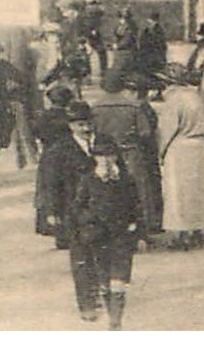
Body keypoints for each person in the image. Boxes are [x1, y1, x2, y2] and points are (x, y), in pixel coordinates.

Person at [68, 138, 143, 328]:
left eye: (110, 155)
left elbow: (136, 206)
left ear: (116, 157)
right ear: (95, 159)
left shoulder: (125, 180)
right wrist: (90, 221)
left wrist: (138, 231)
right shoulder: (89, 180)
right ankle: (112, 315)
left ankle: (115, 321)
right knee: (104, 280)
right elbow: (78, 208)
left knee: (120, 280)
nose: (106, 160)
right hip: (98, 237)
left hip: (121, 236)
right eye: (101, 156)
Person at [89, 70, 162, 237]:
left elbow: (91, 130)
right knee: (138, 190)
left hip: (105, 154)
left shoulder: (96, 106)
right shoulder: (133, 106)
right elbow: (145, 132)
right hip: (131, 152)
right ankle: (142, 228)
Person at [151, 64, 204, 249]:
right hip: (197, 145)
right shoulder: (194, 95)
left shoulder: (174, 100)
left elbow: (167, 129)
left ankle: (182, 234)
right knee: (195, 190)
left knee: (177, 192)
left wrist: (160, 152)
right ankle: (196, 229)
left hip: (179, 146)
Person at [37, 101, 97, 250]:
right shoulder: (59, 151)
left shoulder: (104, 143)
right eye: (81, 125)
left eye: (89, 124)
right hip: (71, 205)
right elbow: (52, 184)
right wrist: (51, 211)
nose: (86, 129)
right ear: (71, 126)